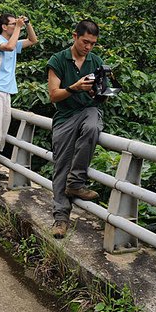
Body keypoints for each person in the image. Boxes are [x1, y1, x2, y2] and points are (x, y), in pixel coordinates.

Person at [46, 19, 105, 239]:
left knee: (91, 128)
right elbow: (53, 95)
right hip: (64, 116)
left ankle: (76, 181)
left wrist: (98, 92)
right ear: (75, 37)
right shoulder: (58, 60)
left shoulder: (96, 61)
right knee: (61, 165)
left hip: (88, 109)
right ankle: (60, 218)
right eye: (85, 42)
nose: (88, 47)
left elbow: (101, 97)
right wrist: (75, 87)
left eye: (92, 43)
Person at [0, 13, 38, 188]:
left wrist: (27, 24)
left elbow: (33, 40)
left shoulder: (13, 40)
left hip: (6, 92)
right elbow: (10, 47)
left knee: (1, 133)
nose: (15, 25)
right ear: (4, 27)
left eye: (16, 23)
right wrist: (19, 28)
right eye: (13, 24)